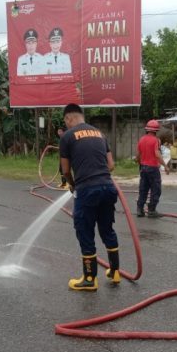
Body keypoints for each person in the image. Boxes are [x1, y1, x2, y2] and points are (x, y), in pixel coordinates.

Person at [59, 103, 121, 290]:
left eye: (65, 121)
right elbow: (111, 165)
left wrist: (72, 184)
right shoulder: (99, 133)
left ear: (69, 118)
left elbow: (65, 170)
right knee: (107, 229)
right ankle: (115, 272)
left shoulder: (67, 136)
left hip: (86, 190)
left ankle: (89, 278)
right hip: (108, 188)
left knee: (84, 230)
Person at [135, 119, 170, 218]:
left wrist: (140, 164)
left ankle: (140, 210)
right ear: (156, 131)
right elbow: (157, 154)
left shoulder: (141, 139)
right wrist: (165, 166)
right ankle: (151, 210)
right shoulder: (156, 140)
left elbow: (138, 155)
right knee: (156, 189)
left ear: (147, 129)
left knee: (143, 189)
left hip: (143, 168)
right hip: (153, 168)